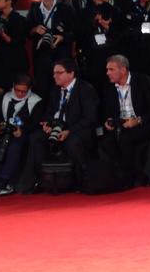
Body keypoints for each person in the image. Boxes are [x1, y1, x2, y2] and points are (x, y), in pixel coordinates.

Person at [18, 58, 99, 194]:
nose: (55, 76)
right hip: (56, 127)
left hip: (76, 129)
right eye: (54, 73)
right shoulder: (55, 90)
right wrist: (47, 124)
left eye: (59, 73)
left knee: (72, 142)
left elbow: (90, 118)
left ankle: (80, 182)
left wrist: (69, 131)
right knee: (35, 138)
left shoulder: (86, 89)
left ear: (71, 73)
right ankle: (41, 181)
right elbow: (49, 112)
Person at [101, 55, 150, 189]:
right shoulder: (108, 87)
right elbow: (108, 112)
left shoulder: (143, 81)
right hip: (120, 123)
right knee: (107, 142)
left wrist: (138, 120)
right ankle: (120, 174)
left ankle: (130, 177)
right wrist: (108, 121)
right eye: (107, 69)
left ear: (123, 70)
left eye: (111, 69)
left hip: (142, 122)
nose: (107, 73)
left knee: (125, 139)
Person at [0, 74, 43, 196]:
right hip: (3, 133)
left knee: (14, 147)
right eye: (17, 90)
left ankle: (2, 182)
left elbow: (36, 123)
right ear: (13, 87)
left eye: (24, 91)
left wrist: (22, 130)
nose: (20, 94)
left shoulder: (36, 101)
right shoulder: (4, 98)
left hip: (21, 135)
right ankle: (0, 181)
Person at [26, 0, 77, 98]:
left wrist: (62, 37)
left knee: (62, 89)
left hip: (61, 54)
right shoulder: (34, 9)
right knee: (42, 89)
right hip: (41, 56)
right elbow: (26, 31)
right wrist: (35, 29)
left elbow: (75, 32)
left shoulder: (65, 8)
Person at [77, 0, 123, 96]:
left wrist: (106, 26)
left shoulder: (115, 11)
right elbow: (79, 33)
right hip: (90, 56)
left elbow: (121, 35)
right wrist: (92, 23)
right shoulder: (84, 11)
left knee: (110, 89)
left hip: (109, 55)